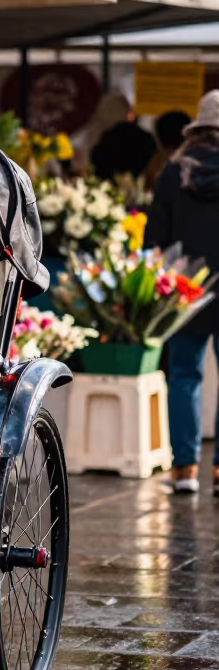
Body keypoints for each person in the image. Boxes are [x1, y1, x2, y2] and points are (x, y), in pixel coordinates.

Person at [145, 90, 219, 494]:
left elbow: (156, 234)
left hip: (186, 288)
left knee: (184, 375)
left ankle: (185, 469)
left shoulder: (174, 170)